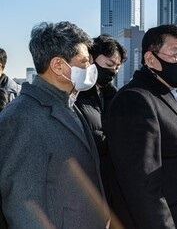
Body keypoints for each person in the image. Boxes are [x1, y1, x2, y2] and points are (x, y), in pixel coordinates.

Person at [0, 21, 108, 228]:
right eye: (84, 61)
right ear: (58, 65)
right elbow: (24, 207)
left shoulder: (69, 104)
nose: (90, 68)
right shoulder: (21, 118)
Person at [105, 24, 177, 228]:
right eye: (176, 55)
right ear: (150, 59)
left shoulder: (168, 94)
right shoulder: (134, 100)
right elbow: (142, 185)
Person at [74, 34, 127, 214]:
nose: (113, 72)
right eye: (109, 65)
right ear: (91, 59)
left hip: (110, 185)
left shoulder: (114, 97)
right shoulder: (75, 95)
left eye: (117, 67)